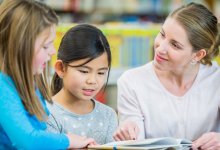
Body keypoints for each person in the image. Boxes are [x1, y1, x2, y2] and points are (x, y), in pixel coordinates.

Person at [113, 2, 220, 150]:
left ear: (198, 54)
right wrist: (129, 132)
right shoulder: (131, 82)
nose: (160, 48)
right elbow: (134, 140)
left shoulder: (216, 80)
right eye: (162, 34)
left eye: (175, 45)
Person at [0, 0, 95, 149]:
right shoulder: (2, 88)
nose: (52, 51)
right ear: (20, 47)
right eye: (45, 46)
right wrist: (68, 140)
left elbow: (41, 133)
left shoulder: (30, 83)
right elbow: (28, 141)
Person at [46, 24, 118, 144]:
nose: (92, 80)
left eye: (101, 73)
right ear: (61, 68)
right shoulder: (46, 114)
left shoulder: (108, 115)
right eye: (84, 71)